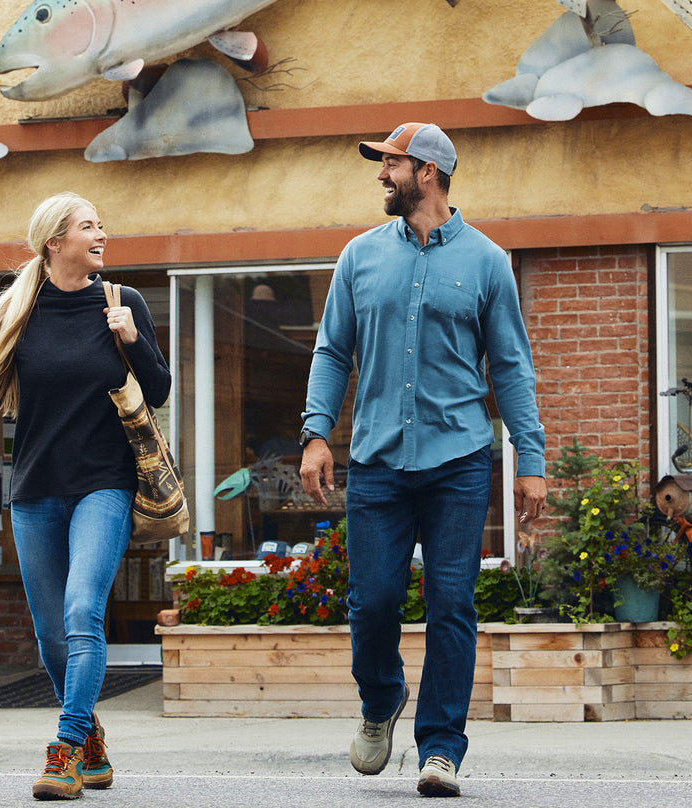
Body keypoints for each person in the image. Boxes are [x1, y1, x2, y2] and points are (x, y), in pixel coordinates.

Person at [299, 123, 547, 798]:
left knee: (451, 603)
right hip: (377, 461)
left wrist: (531, 455)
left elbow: (512, 366)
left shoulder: (488, 262)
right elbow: (331, 351)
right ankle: (381, 701)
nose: (382, 175)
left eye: (392, 164)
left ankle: (441, 747)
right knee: (372, 601)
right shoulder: (359, 257)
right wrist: (317, 433)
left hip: (460, 460)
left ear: (429, 172)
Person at [0, 192, 171, 800]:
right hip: (34, 488)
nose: (101, 233)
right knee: (52, 633)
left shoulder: (120, 302)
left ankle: (66, 745)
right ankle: (94, 744)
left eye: (102, 223)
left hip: (104, 484)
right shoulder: (16, 308)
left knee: (83, 611)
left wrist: (133, 340)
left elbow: (156, 389)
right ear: (55, 241)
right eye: (88, 226)